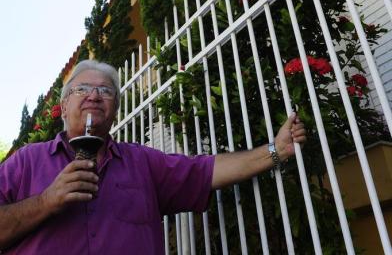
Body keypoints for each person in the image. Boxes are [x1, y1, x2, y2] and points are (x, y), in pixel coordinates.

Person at [0, 60, 306, 254]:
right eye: (83, 89)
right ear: (64, 107)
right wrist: (46, 201)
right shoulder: (26, 161)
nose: (95, 95)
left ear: (115, 110)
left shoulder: (142, 163)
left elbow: (205, 171)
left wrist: (275, 151)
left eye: (106, 92)